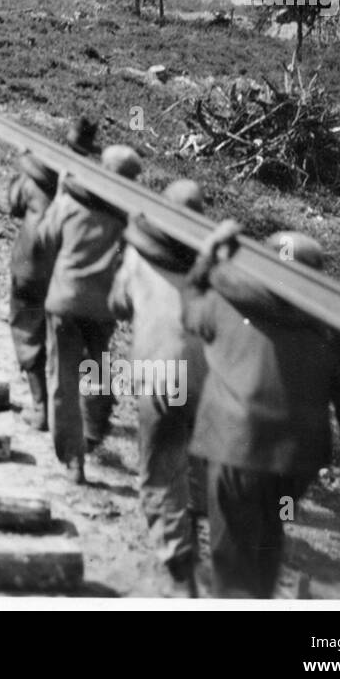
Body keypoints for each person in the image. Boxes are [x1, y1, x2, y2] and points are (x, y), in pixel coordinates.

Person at [181, 222, 340, 599]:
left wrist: (206, 256)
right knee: (270, 529)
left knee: (232, 556)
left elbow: (189, 309)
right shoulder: (336, 329)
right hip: (295, 464)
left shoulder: (225, 301)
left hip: (233, 450)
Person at [109, 178, 209, 597]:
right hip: (205, 378)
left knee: (157, 472)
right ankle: (197, 518)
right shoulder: (213, 269)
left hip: (159, 377)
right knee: (196, 456)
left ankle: (180, 561)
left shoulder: (138, 256)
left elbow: (117, 304)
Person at [37, 142, 142, 483]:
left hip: (65, 302)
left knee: (63, 378)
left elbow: (44, 240)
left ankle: (73, 459)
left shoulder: (70, 201)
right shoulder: (129, 214)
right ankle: (92, 433)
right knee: (95, 371)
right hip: (101, 308)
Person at [8, 118, 98, 430]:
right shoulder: (88, 187)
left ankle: (40, 407)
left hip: (31, 265)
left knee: (26, 330)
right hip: (66, 273)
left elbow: (13, 204)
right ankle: (80, 416)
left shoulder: (36, 175)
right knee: (66, 342)